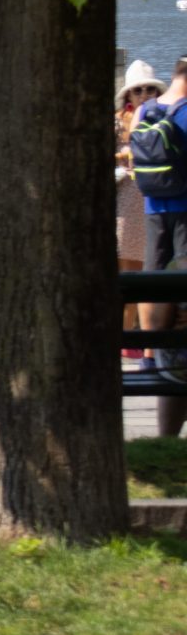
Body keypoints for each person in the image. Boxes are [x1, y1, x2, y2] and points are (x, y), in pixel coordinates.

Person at [130, 60, 187, 437]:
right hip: (186, 209)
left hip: (155, 207)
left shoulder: (148, 110)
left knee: (153, 279)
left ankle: (150, 354)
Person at [118, 60, 163, 362]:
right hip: (126, 200)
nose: (144, 94)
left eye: (149, 89)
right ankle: (125, 337)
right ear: (129, 95)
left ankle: (142, 339)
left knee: (149, 271)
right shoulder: (119, 122)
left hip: (151, 200)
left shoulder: (164, 119)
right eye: (138, 90)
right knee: (125, 272)